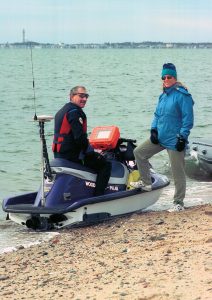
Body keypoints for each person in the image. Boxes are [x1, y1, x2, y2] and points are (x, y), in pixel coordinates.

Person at [130, 63, 194, 212]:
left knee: (177, 173)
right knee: (139, 152)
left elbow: (188, 119)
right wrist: (153, 130)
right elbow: (157, 115)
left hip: (175, 140)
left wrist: (182, 138)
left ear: (175, 78)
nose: (166, 79)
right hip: (161, 137)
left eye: (169, 77)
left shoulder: (183, 95)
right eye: (163, 77)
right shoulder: (163, 95)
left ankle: (178, 203)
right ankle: (146, 183)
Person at [52, 86, 111, 196]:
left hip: (60, 154)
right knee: (105, 164)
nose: (84, 99)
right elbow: (79, 138)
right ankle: (99, 196)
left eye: (86, 96)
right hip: (72, 156)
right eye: (81, 96)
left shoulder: (63, 110)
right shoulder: (75, 112)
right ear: (71, 96)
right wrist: (93, 152)